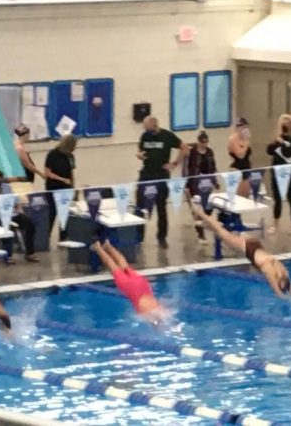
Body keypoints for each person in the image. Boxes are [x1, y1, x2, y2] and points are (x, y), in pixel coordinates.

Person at [192, 204, 291, 299]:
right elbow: (277, 291)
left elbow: (289, 286)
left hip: (255, 245)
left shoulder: (282, 270)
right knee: (221, 231)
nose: (281, 286)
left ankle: (206, 223)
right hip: (247, 246)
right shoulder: (269, 269)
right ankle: (200, 212)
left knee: (221, 233)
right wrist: (286, 298)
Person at [136, 116, 185, 249]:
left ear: (155, 125)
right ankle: (138, 236)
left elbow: (184, 147)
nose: (146, 130)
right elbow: (140, 150)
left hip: (161, 174)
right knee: (140, 206)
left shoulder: (167, 136)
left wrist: (174, 163)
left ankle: (162, 237)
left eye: (148, 128)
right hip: (146, 173)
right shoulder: (145, 136)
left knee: (161, 207)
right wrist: (140, 155)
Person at [91, 239, 167, 324]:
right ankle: (98, 248)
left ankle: (108, 246)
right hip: (129, 287)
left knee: (125, 265)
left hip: (142, 284)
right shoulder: (145, 315)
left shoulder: (160, 309)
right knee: (112, 266)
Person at [0, 169, 38, 263]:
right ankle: (8, 255)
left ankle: (30, 253)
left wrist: (19, 209)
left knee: (30, 224)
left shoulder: (7, 187)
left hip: (12, 214)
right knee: (9, 229)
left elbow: (16, 201)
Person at [267, 114, 291, 235]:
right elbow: (269, 150)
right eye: (283, 125)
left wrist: (283, 143)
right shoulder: (277, 139)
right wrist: (277, 140)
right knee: (277, 199)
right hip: (277, 171)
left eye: (288, 125)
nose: (285, 127)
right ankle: (275, 223)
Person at [186, 131, 218, 243]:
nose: (204, 145)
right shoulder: (192, 153)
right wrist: (187, 185)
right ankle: (200, 234)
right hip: (195, 184)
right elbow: (188, 168)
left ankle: (203, 224)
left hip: (207, 183)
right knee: (198, 209)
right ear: (198, 142)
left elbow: (213, 167)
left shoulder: (210, 152)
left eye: (205, 142)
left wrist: (215, 181)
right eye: (202, 142)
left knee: (208, 208)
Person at [45, 135, 77, 240]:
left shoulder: (70, 156)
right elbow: (47, 173)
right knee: (51, 213)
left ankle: (63, 237)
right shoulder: (52, 154)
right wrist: (62, 179)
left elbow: (71, 173)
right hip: (53, 188)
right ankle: (46, 236)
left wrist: (73, 187)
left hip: (66, 189)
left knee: (65, 214)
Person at [227, 117, 253, 198]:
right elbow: (240, 155)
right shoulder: (233, 139)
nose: (245, 130)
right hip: (237, 169)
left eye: (246, 127)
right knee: (238, 197)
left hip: (247, 168)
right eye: (243, 127)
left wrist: (246, 141)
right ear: (238, 128)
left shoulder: (245, 139)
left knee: (246, 196)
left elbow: (248, 154)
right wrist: (246, 142)